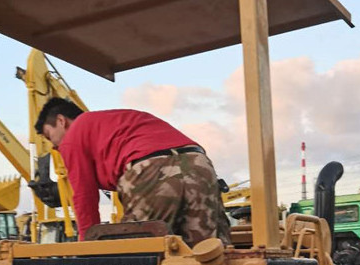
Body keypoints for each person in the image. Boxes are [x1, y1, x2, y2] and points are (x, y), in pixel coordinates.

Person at [34, 99, 231, 245]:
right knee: (206, 255)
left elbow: (84, 195)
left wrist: (88, 245)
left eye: (51, 137)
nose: (56, 147)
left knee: (136, 258)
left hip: (152, 169)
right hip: (198, 163)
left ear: (61, 121)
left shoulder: (74, 134)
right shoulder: (117, 119)